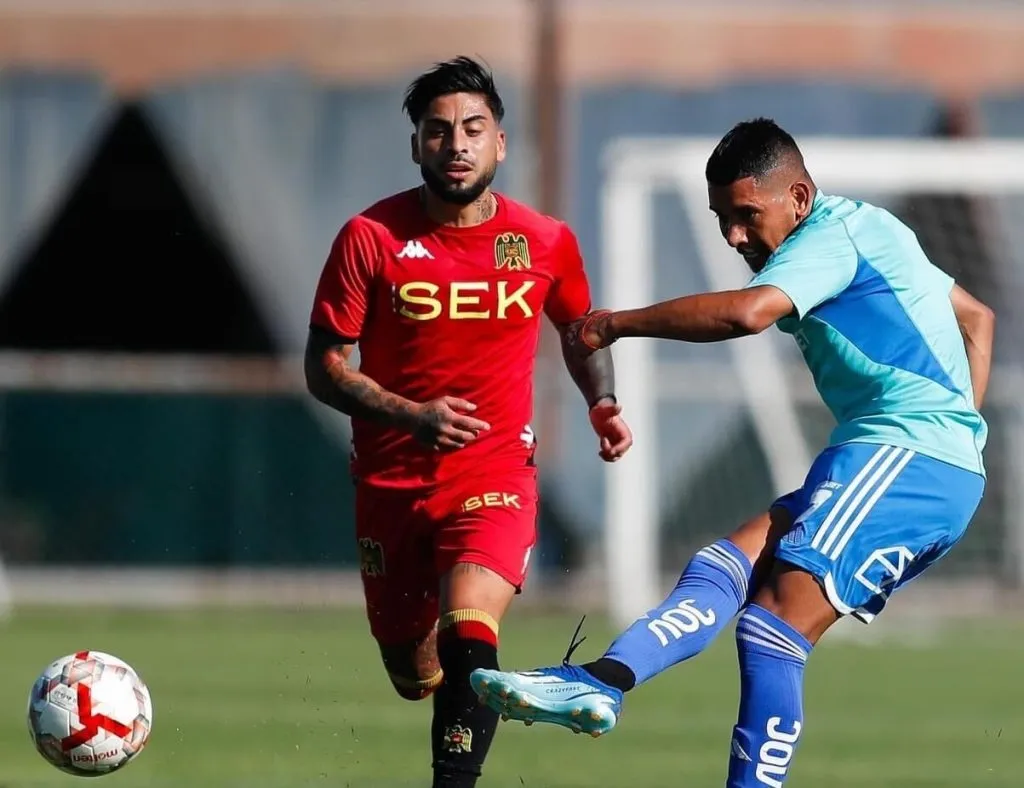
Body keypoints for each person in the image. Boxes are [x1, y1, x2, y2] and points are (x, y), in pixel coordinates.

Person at [470, 117, 994, 786]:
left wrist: (614, 324)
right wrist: (960, 434)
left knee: (773, 627)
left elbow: (747, 314)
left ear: (798, 199)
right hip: (907, 459)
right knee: (730, 561)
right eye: (723, 218)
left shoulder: (824, 239)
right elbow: (978, 317)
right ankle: (600, 681)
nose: (735, 237)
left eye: (747, 215)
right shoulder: (871, 225)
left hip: (904, 458)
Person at [303, 56, 633, 788]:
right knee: (412, 671)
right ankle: (450, 678)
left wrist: (601, 403)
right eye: (439, 130)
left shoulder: (544, 241)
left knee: (471, 632)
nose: (456, 143)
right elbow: (322, 367)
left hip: (494, 472)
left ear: (500, 144)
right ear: (416, 144)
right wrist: (409, 415)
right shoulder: (370, 238)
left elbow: (580, 330)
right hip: (390, 480)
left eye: (473, 129)